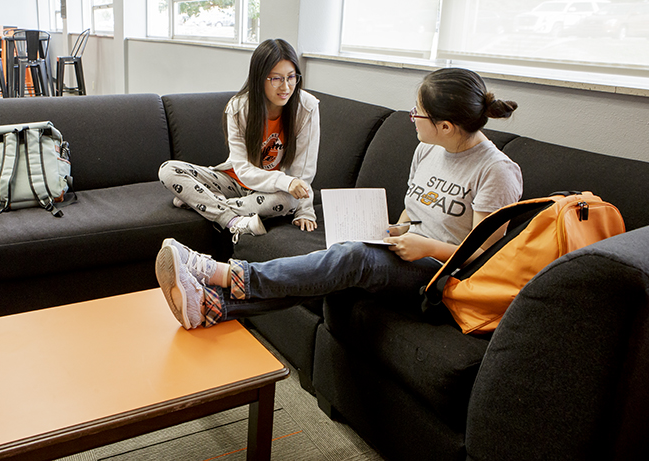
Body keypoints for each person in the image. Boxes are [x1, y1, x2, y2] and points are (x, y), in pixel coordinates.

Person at [155, 67, 523, 330]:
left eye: (418, 113)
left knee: (353, 257)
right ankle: (214, 307)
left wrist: (424, 247)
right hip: (410, 251)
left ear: (445, 126)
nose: (412, 118)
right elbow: (413, 213)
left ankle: (225, 273)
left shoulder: (496, 171)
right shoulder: (428, 150)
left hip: (444, 276)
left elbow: (485, 256)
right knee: (342, 254)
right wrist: (395, 228)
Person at [158, 38, 320, 244]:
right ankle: (233, 221)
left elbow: (304, 169)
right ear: (260, 78)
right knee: (168, 169)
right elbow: (243, 170)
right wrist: (285, 181)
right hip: (233, 181)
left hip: (268, 192)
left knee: (289, 200)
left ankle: (200, 202)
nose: (286, 87)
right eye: (276, 79)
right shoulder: (238, 108)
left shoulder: (306, 107)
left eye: (291, 77)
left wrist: (304, 211)